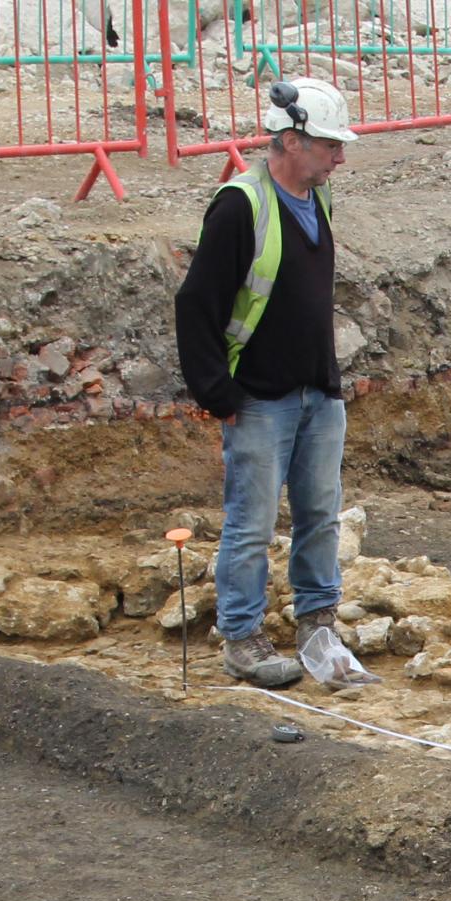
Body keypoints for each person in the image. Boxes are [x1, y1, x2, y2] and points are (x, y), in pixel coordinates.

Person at [174, 78, 356, 690]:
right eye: (329, 145)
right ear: (290, 140)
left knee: (320, 515)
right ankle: (243, 636)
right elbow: (195, 303)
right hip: (258, 398)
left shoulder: (320, 201)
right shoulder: (240, 207)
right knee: (251, 524)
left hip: (316, 392)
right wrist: (215, 394)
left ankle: (318, 625)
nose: (339, 157)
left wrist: (326, 382)